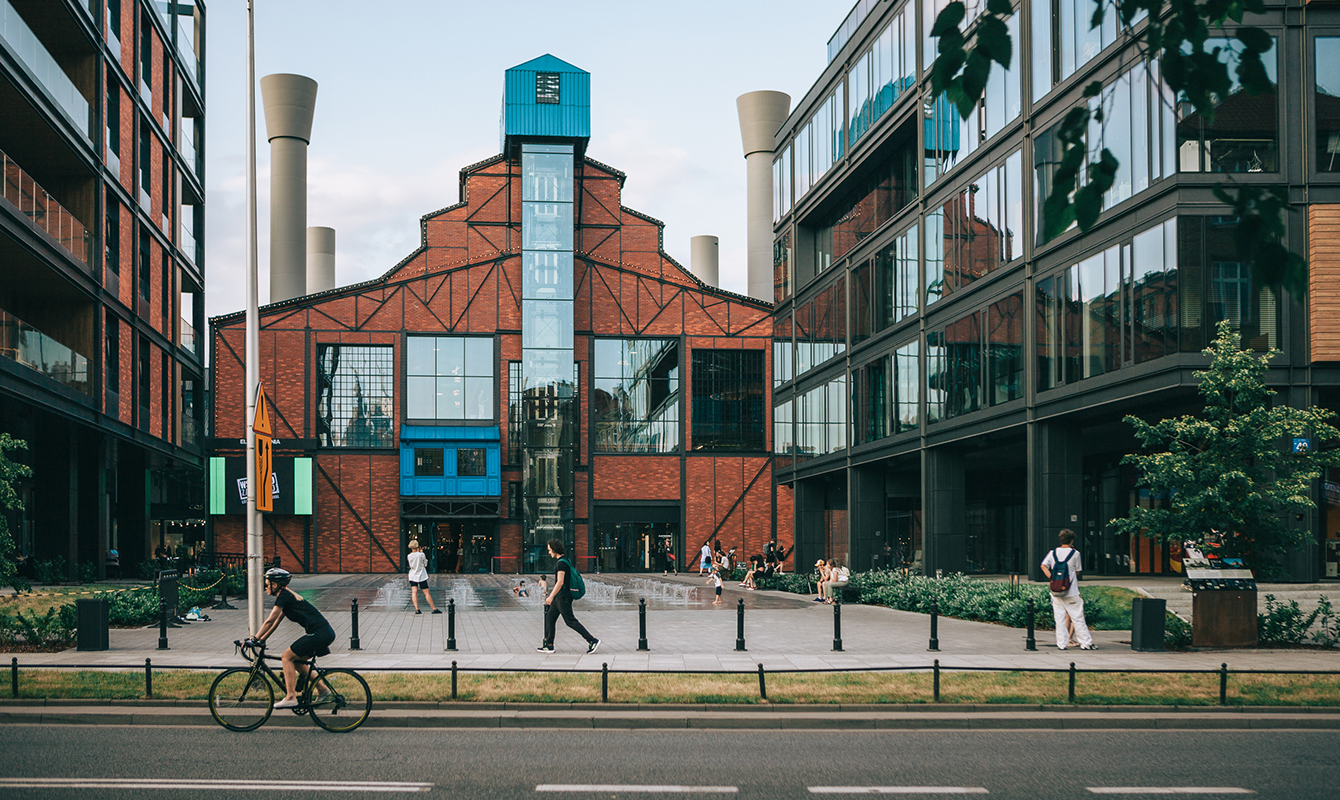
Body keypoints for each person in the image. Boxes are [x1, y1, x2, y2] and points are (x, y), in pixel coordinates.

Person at [252, 567, 337, 708]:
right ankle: (323, 690)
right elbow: (275, 624)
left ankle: (291, 697)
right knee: (296, 662)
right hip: (323, 633)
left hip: (320, 634)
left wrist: (254, 639)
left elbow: (269, 621)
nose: (265, 588)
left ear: (275, 585)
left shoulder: (284, 596)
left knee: (286, 657)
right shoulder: (287, 597)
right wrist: (261, 640)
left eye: (267, 585)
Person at [537, 539, 599, 654]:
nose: (549, 552)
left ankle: (592, 640)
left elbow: (560, 582)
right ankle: (549, 645)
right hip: (560, 597)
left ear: (554, 549)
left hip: (563, 597)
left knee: (570, 621)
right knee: (550, 618)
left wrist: (550, 597)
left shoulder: (561, 563)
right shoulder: (566, 560)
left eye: (549, 550)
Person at [1041, 529, 1095, 651]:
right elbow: (1077, 571)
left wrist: (1052, 578)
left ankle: (1061, 643)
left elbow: (1043, 565)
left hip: (1056, 591)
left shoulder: (1052, 553)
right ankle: (1085, 643)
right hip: (1071, 591)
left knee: (1059, 618)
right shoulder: (1075, 554)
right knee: (1077, 617)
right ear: (1071, 540)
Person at [406, 540, 440, 614]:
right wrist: (421, 553)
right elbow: (425, 564)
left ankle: (417, 609)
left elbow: (411, 566)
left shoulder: (409, 556)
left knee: (414, 592)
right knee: (426, 592)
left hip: (412, 575)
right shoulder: (421, 555)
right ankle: (434, 608)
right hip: (421, 575)